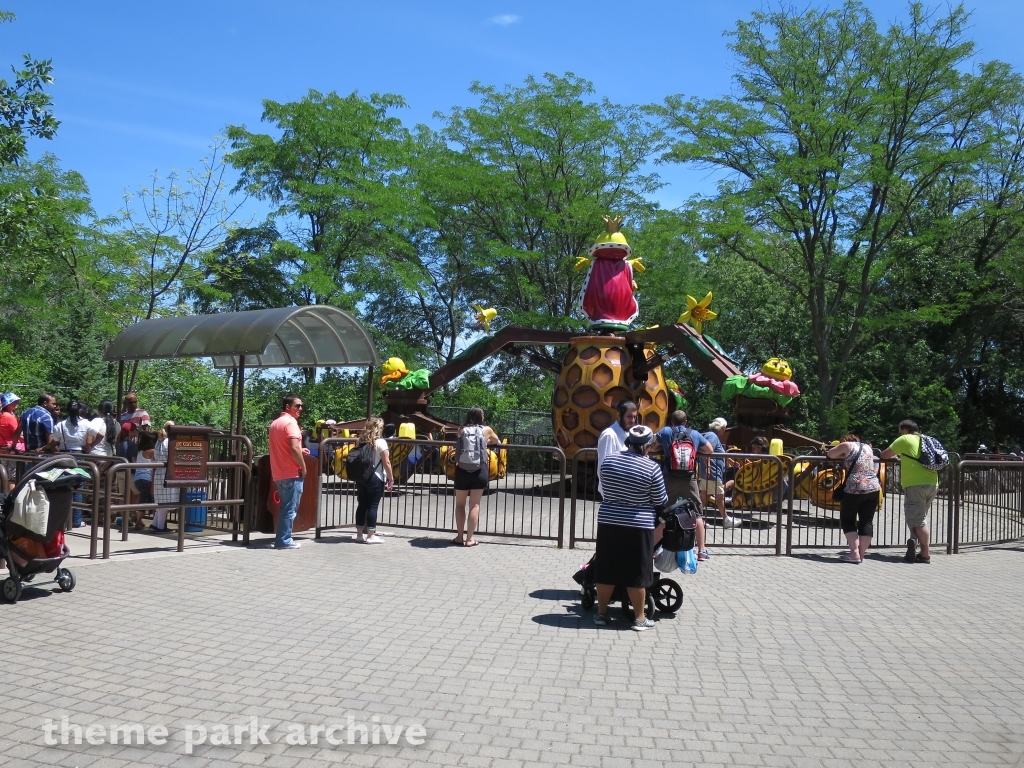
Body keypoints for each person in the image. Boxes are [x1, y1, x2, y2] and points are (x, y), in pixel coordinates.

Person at [593, 425, 667, 631]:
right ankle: (640, 618)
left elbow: (604, 487)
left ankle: (601, 613)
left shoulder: (609, 461)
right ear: (648, 446)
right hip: (638, 525)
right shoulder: (651, 468)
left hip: (609, 521)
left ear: (628, 442)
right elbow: (660, 500)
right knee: (637, 573)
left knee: (606, 569)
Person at [655, 410, 715, 561]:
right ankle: (701, 550)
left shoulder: (666, 431)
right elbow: (709, 449)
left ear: (671, 421)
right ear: (686, 422)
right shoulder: (694, 434)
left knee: (664, 513)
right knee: (697, 513)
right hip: (689, 480)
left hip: (670, 479)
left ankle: (655, 548)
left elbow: (653, 447)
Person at [881, 419, 938, 564]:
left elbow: (884, 455)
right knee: (916, 516)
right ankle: (913, 540)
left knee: (919, 520)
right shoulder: (927, 439)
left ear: (905, 430)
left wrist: (895, 456)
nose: (900, 434)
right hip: (933, 483)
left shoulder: (905, 439)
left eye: (900, 431)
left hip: (915, 484)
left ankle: (925, 554)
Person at [826, 434, 881, 563]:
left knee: (848, 520)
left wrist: (841, 454)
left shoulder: (846, 445)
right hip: (873, 487)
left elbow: (830, 454)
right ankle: (861, 555)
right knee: (866, 521)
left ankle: (854, 553)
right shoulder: (867, 447)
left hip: (854, 487)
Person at [452, 407, 499, 547]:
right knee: (475, 505)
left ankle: (459, 537)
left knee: (460, 505)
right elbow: (496, 441)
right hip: (479, 470)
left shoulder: (461, 430)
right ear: (481, 417)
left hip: (462, 470)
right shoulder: (487, 430)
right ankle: (469, 539)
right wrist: (485, 442)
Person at [268, 395, 309, 550]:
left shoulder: (275, 423)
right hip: (292, 473)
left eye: (301, 406)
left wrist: (300, 450)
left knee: (286, 507)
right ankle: (284, 541)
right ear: (287, 407)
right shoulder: (291, 423)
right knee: (290, 509)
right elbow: (293, 447)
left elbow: (285, 447)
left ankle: (282, 538)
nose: (300, 409)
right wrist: (303, 467)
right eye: (297, 406)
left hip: (279, 472)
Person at [353, 417, 394, 545]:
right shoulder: (381, 442)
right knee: (373, 506)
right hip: (375, 477)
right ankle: (371, 535)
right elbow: (386, 462)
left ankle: (359, 534)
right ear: (379, 428)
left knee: (362, 505)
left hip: (361, 476)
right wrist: (391, 478)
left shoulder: (360, 441)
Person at [54, 399, 91, 527]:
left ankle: (62, 519)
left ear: (67, 411)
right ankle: (76, 520)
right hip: (79, 456)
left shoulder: (60, 425)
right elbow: (100, 434)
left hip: (64, 455)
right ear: (79, 410)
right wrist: (89, 446)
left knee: (63, 484)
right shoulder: (86, 423)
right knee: (78, 486)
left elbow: (54, 441)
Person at [700, 417, 741, 529]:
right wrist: (709, 467)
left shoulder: (711, 435)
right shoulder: (712, 436)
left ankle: (697, 519)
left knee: (704, 497)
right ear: (721, 427)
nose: (725, 429)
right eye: (725, 427)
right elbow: (707, 451)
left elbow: (716, 452)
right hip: (712, 473)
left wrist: (729, 460)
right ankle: (726, 519)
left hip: (709, 473)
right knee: (720, 496)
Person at [596, 400, 638, 496]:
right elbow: (604, 468)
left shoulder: (629, 433)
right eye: (629, 416)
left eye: (634, 417)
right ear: (619, 415)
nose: (632, 420)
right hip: (614, 493)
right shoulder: (609, 435)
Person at [130, 432, 158, 531]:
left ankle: (135, 514)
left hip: (138, 478)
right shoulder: (152, 451)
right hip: (146, 478)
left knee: (144, 498)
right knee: (146, 500)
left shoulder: (140, 451)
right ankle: (138, 522)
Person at [151, 421, 175, 532]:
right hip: (167, 472)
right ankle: (160, 527)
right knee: (166, 501)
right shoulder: (169, 442)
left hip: (159, 472)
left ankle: (155, 523)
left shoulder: (158, 441)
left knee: (161, 499)